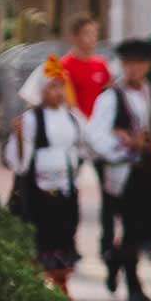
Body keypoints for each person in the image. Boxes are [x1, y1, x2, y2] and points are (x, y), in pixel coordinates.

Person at [87, 39, 151, 301]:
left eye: (139, 64)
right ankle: (132, 282)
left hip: (148, 170)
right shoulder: (111, 96)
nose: (133, 69)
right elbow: (96, 136)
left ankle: (116, 259)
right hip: (122, 171)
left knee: (143, 227)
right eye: (128, 64)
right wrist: (124, 145)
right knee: (129, 225)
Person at [3, 60, 87, 301]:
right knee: (40, 237)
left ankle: (62, 288)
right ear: (40, 90)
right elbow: (19, 161)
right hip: (39, 190)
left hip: (66, 187)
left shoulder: (72, 117)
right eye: (51, 87)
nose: (57, 92)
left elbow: (82, 146)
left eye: (61, 86)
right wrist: (19, 138)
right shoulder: (31, 119)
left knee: (64, 235)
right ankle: (33, 291)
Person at [58, 15, 117, 283]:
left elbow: (109, 97)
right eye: (86, 34)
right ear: (74, 37)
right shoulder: (65, 67)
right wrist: (84, 129)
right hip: (78, 139)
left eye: (95, 34)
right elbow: (68, 103)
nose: (91, 40)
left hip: (99, 139)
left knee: (109, 192)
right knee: (71, 192)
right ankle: (70, 242)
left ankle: (107, 243)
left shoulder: (101, 66)